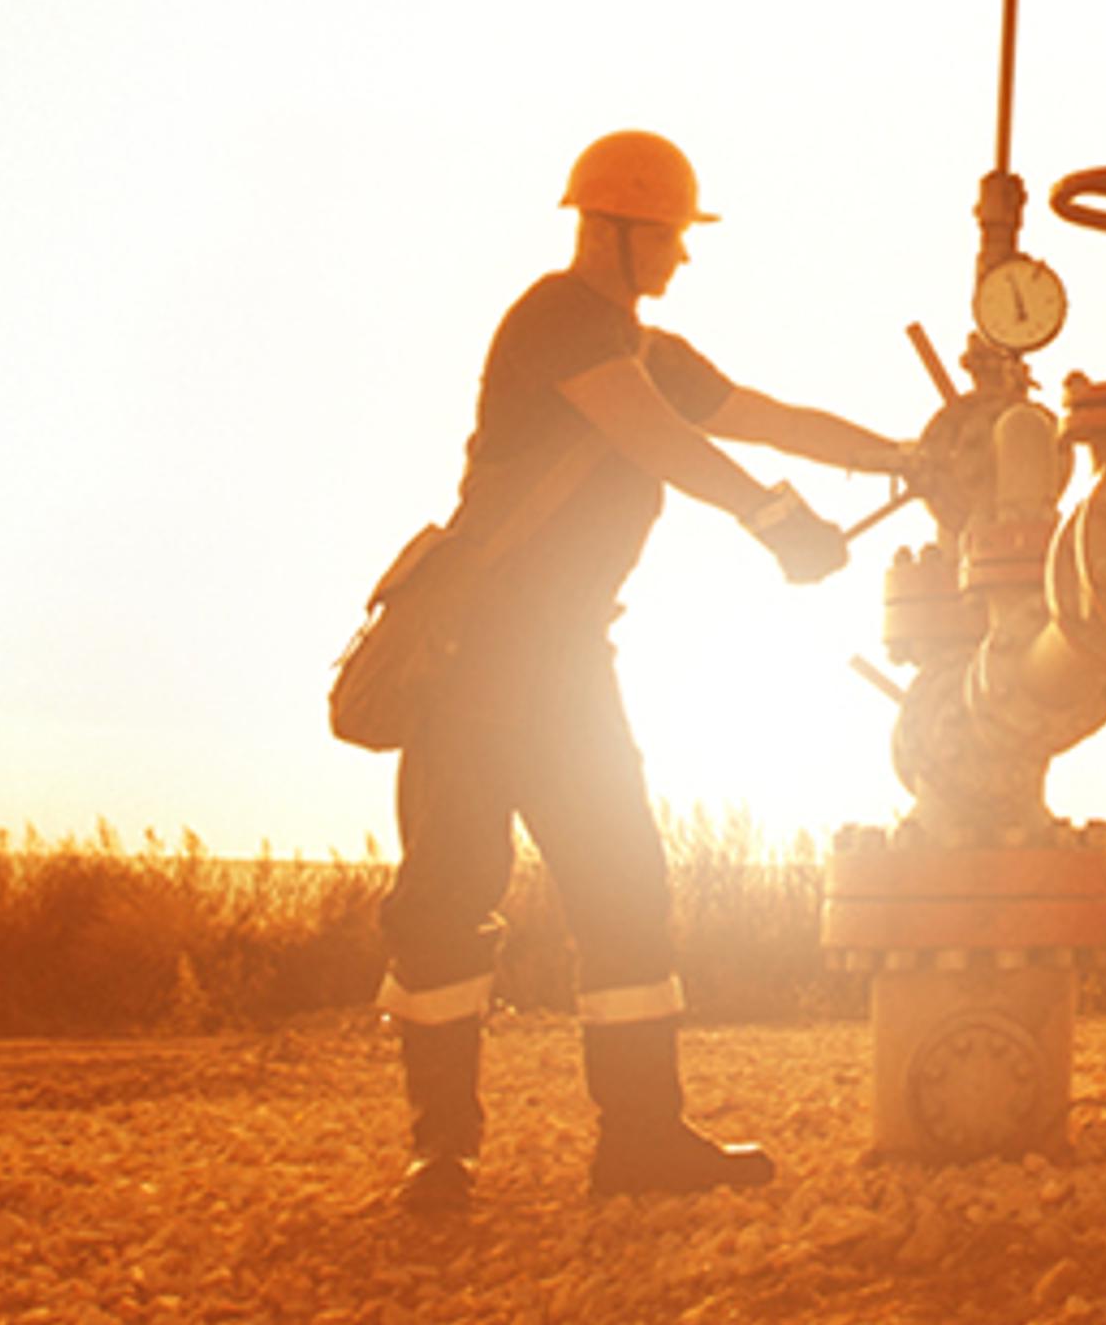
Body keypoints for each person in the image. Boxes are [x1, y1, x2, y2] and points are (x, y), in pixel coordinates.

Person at [376, 126, 920, 1212]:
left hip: (568, 660)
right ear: (614, 230)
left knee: (624, 887)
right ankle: (442, 1153)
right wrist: (773, 517)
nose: (683, 254)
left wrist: (909, 456)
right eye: (670, 234)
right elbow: (656, 439)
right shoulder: (556, 322)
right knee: (447, 898)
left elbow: (769, 417)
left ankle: (640, 1141)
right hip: (478, 655)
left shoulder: (648, 351)